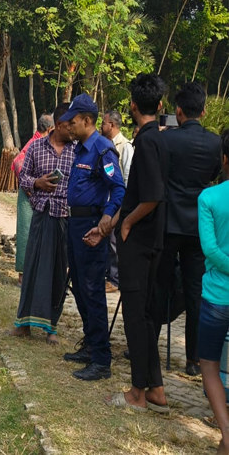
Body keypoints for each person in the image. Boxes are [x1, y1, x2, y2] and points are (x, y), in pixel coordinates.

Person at [98, 74, 170, 413]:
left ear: (131, 106)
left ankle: (137, 392)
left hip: (139, 241)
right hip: (152, 239)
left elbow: (152, 196)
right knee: (144, 315)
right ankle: (156, 388)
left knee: (136, 318)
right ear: (160, 105)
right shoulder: (161, 139)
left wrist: (125, 222)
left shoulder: (146, 144)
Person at [155, 81, 222, 377]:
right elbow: (213, 176)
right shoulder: (216, 143)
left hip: (169, 223)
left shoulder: (167, 141)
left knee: (159, 284)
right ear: (204, 111)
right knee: (196, 291)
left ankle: (148, 345)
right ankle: (194, 358)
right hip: (199, 226)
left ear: (178, 111)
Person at [61, 92, 125, 381]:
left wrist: (106, 222)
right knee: (80, 287)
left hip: (91, 226)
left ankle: (101, 359)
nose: (68, 126)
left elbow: (119, 189)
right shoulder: (79, 148)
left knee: (93, 291)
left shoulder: (102, 149)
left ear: (87, 121)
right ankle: (90, 345)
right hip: (74, 225)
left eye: (72, 122)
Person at [11, 104, 73, 344]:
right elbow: (23, 176)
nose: (72, 130)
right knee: (33, 269)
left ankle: (52, 328)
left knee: (59, 271)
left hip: (64, 218)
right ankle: (24, 324)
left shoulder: (76, 151)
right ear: (58, 125)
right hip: (41, 214)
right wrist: (37, 183)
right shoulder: (36, 147)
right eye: (69, 125)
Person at [197, 128, 229, 455]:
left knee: (209, 365)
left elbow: (211, 251)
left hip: (217, 296)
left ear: (224, 160)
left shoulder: (209, 198)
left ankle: (227, 434)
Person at [14, 114, 55, 287]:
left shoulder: (36, 141)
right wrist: (30, 187)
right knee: (26, 233)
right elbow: (18, 162)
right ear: (50, 129)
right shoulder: (35, 144)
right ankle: (24, 274)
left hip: (33, 192)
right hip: (29, 194)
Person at [100, 110, 135, 294]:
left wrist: (123, 204)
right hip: (106, 202)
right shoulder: (104, 144)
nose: (101, 126)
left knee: (114, 242)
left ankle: (115, 280)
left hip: (118, 202)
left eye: (104, 123)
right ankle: (107, 276)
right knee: (105, 239)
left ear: (112, 125)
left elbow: (128, 176)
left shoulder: (125, 146)